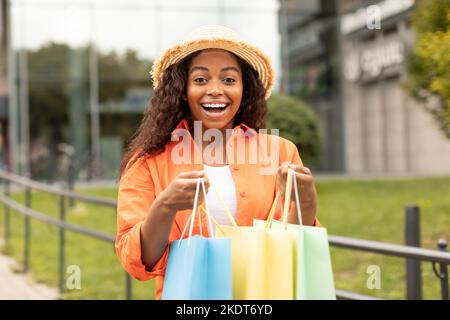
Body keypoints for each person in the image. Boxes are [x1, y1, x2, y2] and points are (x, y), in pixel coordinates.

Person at [116, 25, 320, 300]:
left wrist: (305, 202)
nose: (215, 90)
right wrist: (166, 205)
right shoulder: (148, 161)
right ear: (182, 90)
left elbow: (291, 247)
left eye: (228, 80)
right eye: (200, 80)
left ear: (243, 89)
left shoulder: (280, 152)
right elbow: (138, 262)